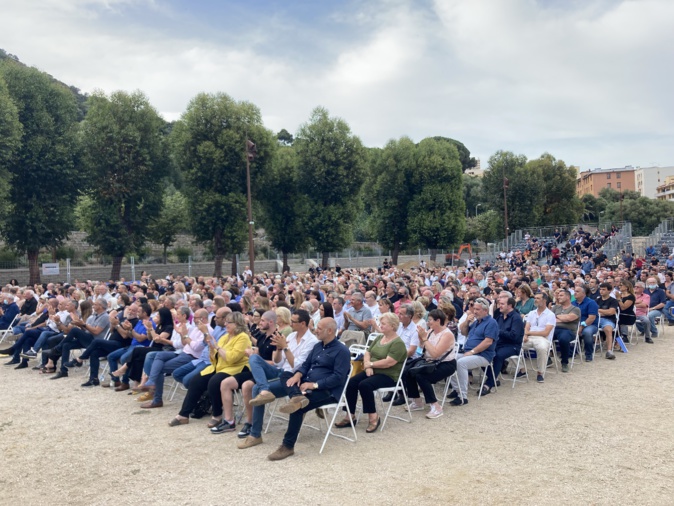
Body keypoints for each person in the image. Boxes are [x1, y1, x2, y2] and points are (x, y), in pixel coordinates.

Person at [265, 317, 350, 461]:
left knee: (297, 407)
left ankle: (288, 446)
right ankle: (297, 395)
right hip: (306, 384)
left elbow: (338, 378)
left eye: (319, 328)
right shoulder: (318, 346)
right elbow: (305, 365)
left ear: (329, 331)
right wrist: (298, 375)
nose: (315, 330)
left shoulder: (342, 351)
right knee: (286, 375)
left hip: (326, 390)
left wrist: (314, 385)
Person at [237, 309, 318, 449]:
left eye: (294, 321)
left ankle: (255, 434)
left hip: (294, 378)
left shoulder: (312, 341)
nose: (290, 323)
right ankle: (265, 390)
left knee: (255, 388)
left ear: (303, 323)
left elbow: (297, 366)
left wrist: (285, 347)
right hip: (281, 371)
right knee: (254, 357)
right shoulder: (292, 336)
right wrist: (279, 350)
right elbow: (279, 362)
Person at [168, 311, 250, 427]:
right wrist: (212, 348)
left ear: (237, 324)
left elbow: (231, 358)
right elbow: (214, 357)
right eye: (226, 322)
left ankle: (217, 415)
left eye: (229, 322)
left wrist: (216, 346)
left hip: (236, 368)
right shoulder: (226, 336)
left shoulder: (243, 337)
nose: (226, 324)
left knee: (214, 382)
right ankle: (183, 415)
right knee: (196, 380)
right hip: (220, 366)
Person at [336, 312, 407, 432]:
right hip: (373, 370)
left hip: (388, 375)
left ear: (393, 326)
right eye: (381, 323)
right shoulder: (379, 337)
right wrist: (368, 366)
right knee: (351, 382)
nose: (381, 326)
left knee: (365, 385)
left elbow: (389, 362)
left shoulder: (398, 343)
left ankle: (373, 416)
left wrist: (371, 364)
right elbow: (368, 352)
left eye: (384, 324)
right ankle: (350, 415)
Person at [402, 309, 456, 419]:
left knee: (422, 377)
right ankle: (417, 401)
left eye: (430, 320)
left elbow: (435, 354)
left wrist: (425, 339)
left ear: (438, 321)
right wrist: (421, 338)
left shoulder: (447, 334)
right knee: (408, 370)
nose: (428, 322)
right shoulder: (431, 331)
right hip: (429, 361)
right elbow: (422, 347)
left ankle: (436, 406)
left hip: (445, 364)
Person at [447, 297, 499, 405]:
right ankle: (456, 390)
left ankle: (463, 397)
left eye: (478, 309)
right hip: (469, 352)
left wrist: (472, 351)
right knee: (449, 359)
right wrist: (466, 322)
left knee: (461, 363)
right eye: (474, 309)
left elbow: (488, 342)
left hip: (483, 355)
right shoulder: (476, 322)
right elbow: (464, 332)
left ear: (485, 311)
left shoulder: (491, 323)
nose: (474, 311)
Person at [50, 299, 110, 380]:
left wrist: (83, 324)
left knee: (74, 330)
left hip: (95, 341)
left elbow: (96, 332)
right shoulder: (92, 316)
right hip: (87, 338)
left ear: (100, 306)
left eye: (95, 304)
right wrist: (80, 325)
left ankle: (57, 349)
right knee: (66, 345)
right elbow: (86, 330)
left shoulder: (105, 317)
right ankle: (63, 371)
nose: (93, 306)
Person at [483, 292, 524, 392]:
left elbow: (514, 336)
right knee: (483, 353)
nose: (499, 306)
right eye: (499, 304)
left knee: (498, 355)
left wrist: (498, 331)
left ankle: (489, 384)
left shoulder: (516, 318)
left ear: (510, 305)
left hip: (513, 346)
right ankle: (493, 377)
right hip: (499, 344)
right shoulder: (500, 316)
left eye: (502, 304)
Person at [519, 293, 556, 382]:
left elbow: (546, 333)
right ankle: (522, 369)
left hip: (543, 339)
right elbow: (526, 327)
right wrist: (525, 334)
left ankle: (540, 372)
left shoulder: (550, 315)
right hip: (530, 337)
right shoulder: (531, 313)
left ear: (544, 300)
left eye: (538, 298)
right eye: (535, 298)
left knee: (542, 348)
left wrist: (529, 332)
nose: (535, 300)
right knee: (513, 345)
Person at [551, 289, 581, 373]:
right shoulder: (555, 307)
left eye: (561, 295)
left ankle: (564, 362)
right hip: (554, 328)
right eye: (558, 295)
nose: (558, 297)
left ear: (568, 297)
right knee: (543, 336)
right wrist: (562, 317)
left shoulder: (575, 309)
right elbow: (549, 318)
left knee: (564, 339)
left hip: (568, 330)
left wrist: (556, 316)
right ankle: (548, 359)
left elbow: (569, 318)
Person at [573, 285, 599, 361]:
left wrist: (581, 327)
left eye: (577, 291)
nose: (575, 293)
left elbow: (591, 318)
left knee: (587, 332)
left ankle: (588, 354)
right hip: (575, 324)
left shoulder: (591, 303)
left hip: (590, 324)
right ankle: (571, 352)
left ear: (583, 293)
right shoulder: (572, 303)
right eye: (574, 291)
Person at [596, 282, 619, 360]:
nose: (601, 291)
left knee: (608, 329)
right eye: (600, 289)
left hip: (608, 320)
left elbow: (611, 312)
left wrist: (599, 310)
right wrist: (604, 312)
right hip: (596, 319)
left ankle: (609, 351)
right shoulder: (597, 300)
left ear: (609, 291)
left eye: (604, 289)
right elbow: (593, 312)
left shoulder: (613, 301)